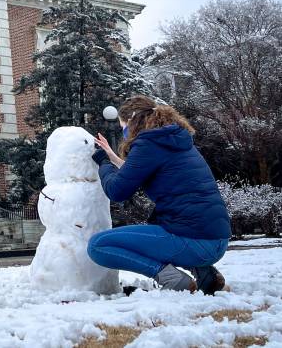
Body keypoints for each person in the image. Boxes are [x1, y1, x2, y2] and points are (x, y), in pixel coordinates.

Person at [87, 95, 231, 295]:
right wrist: (112, 157)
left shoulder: (148, 144)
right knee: (159, 228)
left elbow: (117, 191)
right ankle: (205, 272)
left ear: (132, 120)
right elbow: (138, 172)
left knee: (98, 246)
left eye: (123, 127)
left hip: (194, 242)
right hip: (217, 241)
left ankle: (170, 277)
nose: (125, 134)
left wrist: (103, 163)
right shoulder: (172, 140)